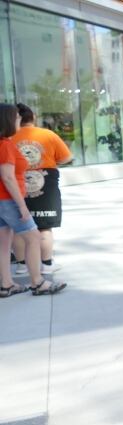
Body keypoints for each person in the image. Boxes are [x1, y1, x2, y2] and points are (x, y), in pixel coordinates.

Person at [0, 104, 66, 298]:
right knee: (34, 237)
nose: (19, 120)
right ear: (8, 120)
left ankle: (6, 284)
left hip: (2, 201)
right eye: (16, 118)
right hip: (9, 200)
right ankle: (38, 282)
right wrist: (22, 206)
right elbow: (8, 177)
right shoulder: (5, 144)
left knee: (4, 243)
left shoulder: (4, 143)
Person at [9, 103, 72, 276]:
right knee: (45, 227)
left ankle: (22, 266)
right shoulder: (48, 134)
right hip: (46, 185)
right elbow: (67, 157)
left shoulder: (8, 137)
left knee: (19, 228)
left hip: (16, 187)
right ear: (33, 117)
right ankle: (47, 264)